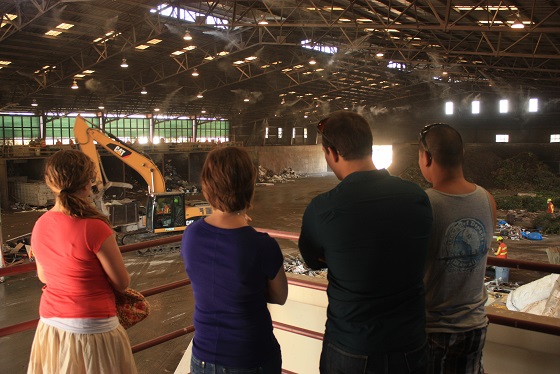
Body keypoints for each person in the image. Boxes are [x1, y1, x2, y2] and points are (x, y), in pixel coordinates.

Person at [299, 111, 433, 374]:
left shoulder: (322, 208)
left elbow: (312, 260)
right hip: (409, 346)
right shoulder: (416, 197)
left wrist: (344, 254)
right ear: (369, 147)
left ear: (333, 153)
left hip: (351, 347)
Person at [27, 150, 137, 374]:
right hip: (93, 328)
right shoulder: (95, 226)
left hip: (51, 325)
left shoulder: (41, 223)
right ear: (88, 183)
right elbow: (122, 282)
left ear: (50, 183)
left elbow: (43, 276)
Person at [180, 146, 288, 374]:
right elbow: (280, 296)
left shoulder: (191, 236)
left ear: (207, 186)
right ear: (249, 187)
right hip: (250, 357)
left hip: (203, 357)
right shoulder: (262, 245)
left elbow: (212, 275)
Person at [418, 123, 496, 374]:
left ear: (426, 157)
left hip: (435, 330)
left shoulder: (424, 203)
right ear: (461, 154)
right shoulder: (487, 199)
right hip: (475, 325)